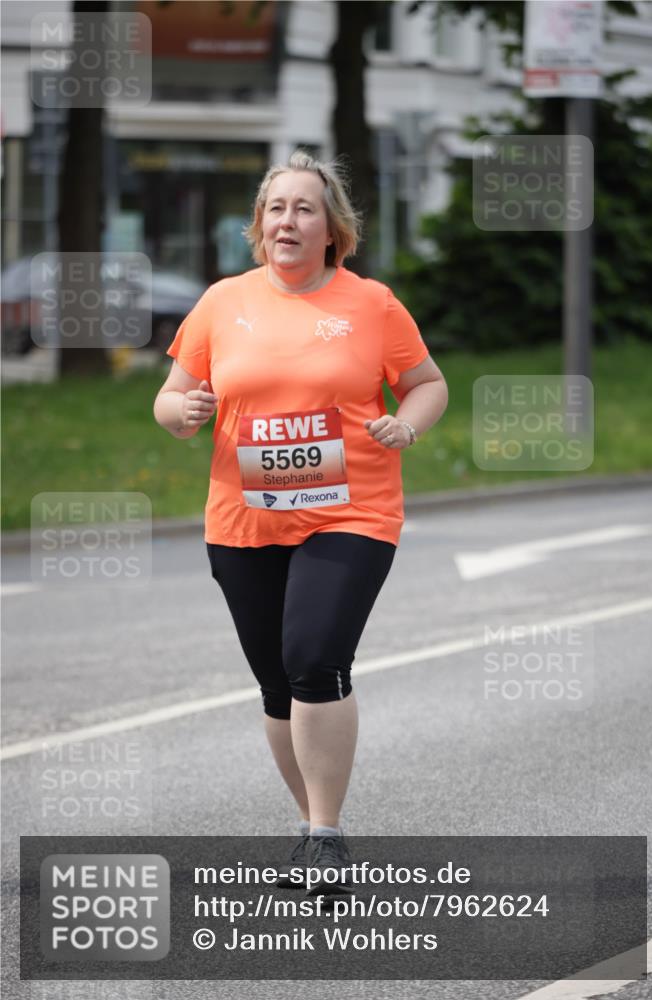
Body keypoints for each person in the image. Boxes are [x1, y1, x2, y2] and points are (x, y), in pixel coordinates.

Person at [153, 150, 448, 890]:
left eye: (304, 208)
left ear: (330, 229)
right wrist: (181, 413)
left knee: (315, 657)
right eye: (276, 208)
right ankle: (310, 827)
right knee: (277, 683)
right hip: (244, 519)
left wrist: (405, 426)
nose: (287, 220)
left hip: (351, 509)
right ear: (259, 224)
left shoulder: (371, 304)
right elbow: (171, 396)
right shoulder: (223, 301)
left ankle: (326, 836)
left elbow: (426, 383)